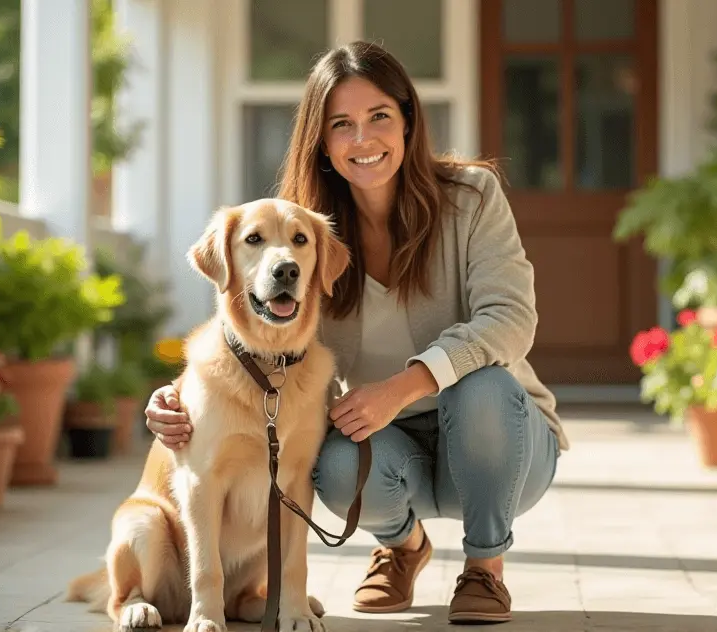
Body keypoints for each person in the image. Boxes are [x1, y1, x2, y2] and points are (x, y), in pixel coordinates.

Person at [145, 40, 569, 625]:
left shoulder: (472, 199)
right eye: (341, 124)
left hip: (502, 447)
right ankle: (403, 546)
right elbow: (260, 346)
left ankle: (484, 569)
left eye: (379, 118)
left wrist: (405, 385)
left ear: (408, 121)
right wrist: (180, 397)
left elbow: (512, 319)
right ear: (320, 140)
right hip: (387, 444)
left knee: (485, 389)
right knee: (333, 464)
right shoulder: (300, 236)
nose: (363, 139)